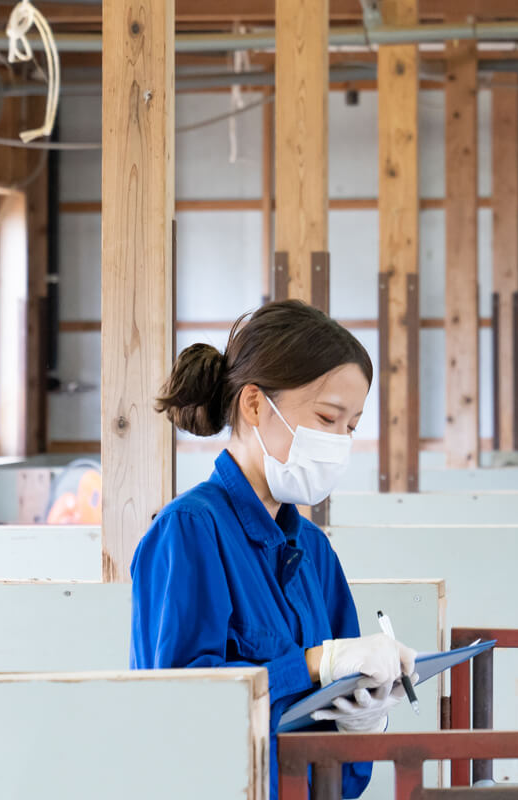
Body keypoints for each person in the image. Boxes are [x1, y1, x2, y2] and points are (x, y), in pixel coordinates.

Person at [130, 300, 415, 800]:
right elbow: (179, 707)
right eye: (327, 418)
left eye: (350, 428)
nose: (340, 442)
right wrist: (314, 666)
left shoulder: (314, 552)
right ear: (255, 404)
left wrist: (364, 722)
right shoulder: (190, 531)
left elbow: (338, 761)